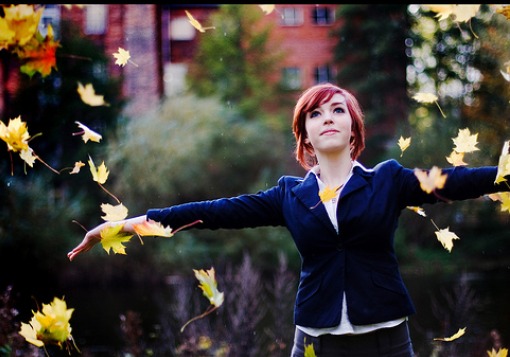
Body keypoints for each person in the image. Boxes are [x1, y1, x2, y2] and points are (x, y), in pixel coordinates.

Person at [68, 83, 509, 357]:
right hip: (315, 341)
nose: (327, 119)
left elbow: (458, 180)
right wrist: (123, 224)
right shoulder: (289, 196)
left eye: (337, 110)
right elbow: (209, 213)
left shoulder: (388, 181)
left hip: (386, 339)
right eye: (315, 114)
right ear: (306, 137)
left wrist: (504, 176)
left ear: (354, 130)